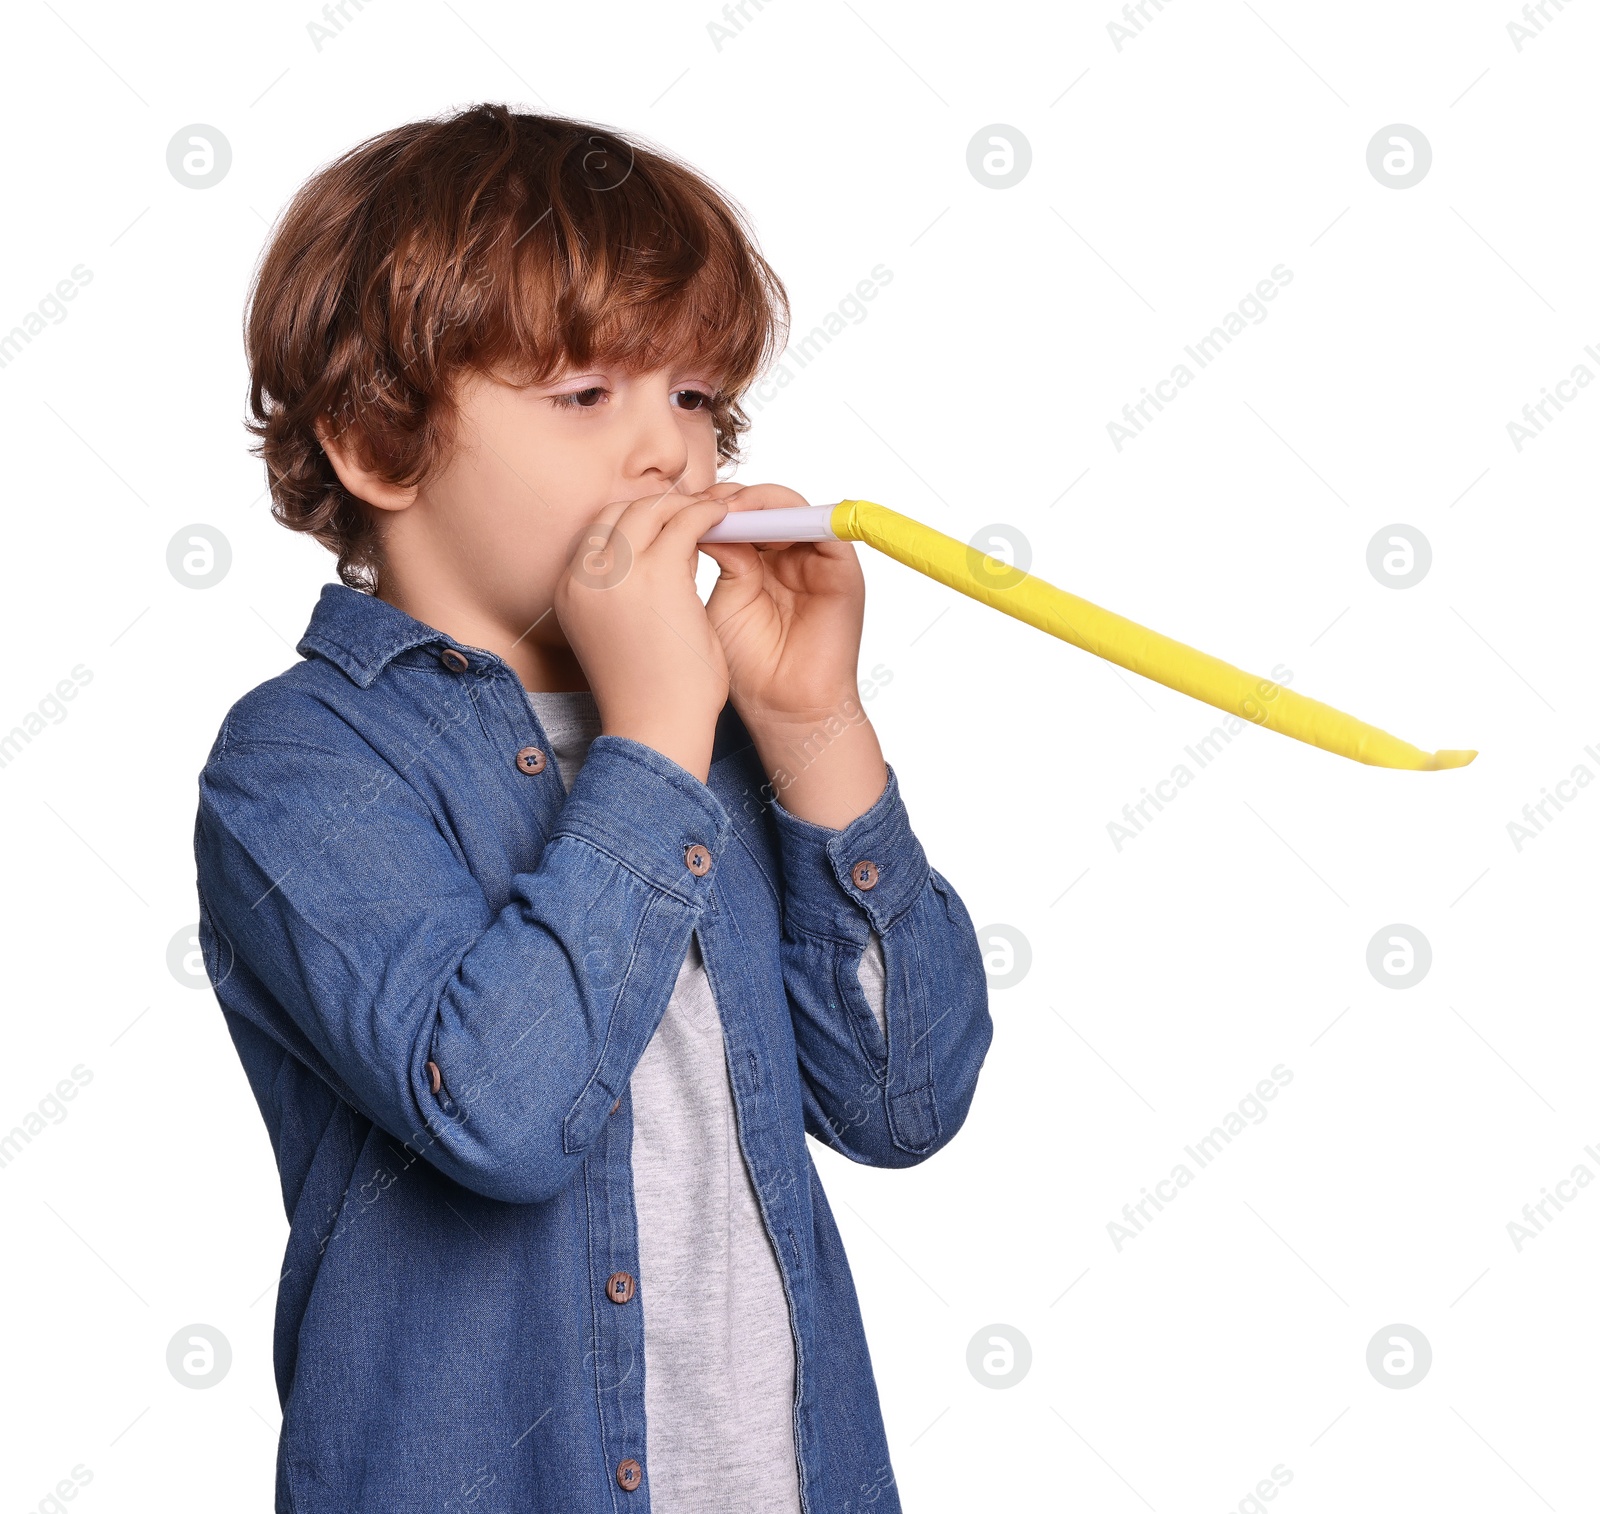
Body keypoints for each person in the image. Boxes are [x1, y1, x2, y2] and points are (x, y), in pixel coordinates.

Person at [193, 101, 993, 1513]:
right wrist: (658, 734)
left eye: (697, 400)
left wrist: (813, 727)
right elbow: (502, 1113)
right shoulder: (303, 760)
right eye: (587, 397)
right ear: (382, 441)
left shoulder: (719, 737)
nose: (673, 457)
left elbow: (901, 1098)